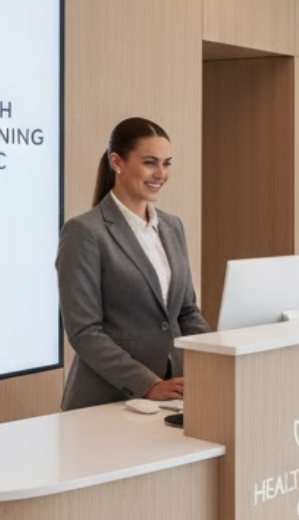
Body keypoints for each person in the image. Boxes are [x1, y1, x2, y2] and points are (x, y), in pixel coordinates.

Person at [55, 117, 211, 411]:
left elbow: (187, 312)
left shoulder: (172, 226)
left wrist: (219, 356)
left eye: (167, 164)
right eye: (150, 162)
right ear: (117, 162)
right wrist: (148, 385)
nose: (160, 174)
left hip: (174, 393)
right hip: (109, 398)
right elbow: (84, 331)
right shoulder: (85, 232)